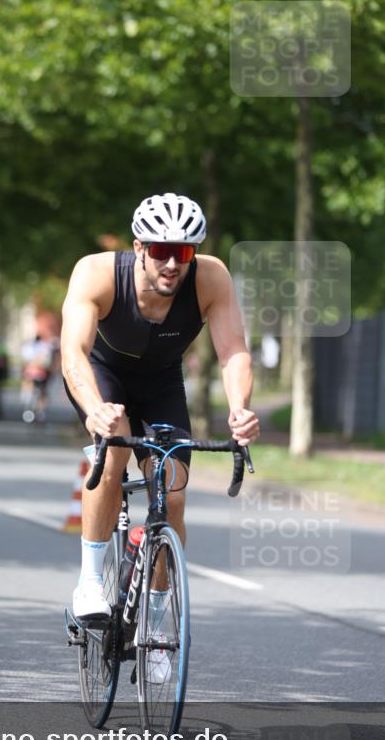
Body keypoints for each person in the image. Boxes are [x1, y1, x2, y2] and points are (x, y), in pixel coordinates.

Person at [61, 193, 260, 637]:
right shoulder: (96, 273)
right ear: (139, 248)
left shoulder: (211, 278)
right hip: (102, 375)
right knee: (112, 453)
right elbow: (72, 352)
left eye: (184, 252)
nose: (173, 263)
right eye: (162, 251)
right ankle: (90, 582)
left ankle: (155, 622)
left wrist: (239, 409)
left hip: (161, 382)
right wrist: (95, 410)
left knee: (172, 495)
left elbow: (233, 351)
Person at [20, 334, 54, 423]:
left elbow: (25, 361)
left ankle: (27, 405)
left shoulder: (28, 347)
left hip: (31, 372)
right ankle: (41, 412)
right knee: (43, 391)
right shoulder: (45, 346)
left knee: (28, 386)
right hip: (41, 372)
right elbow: (47, 361)